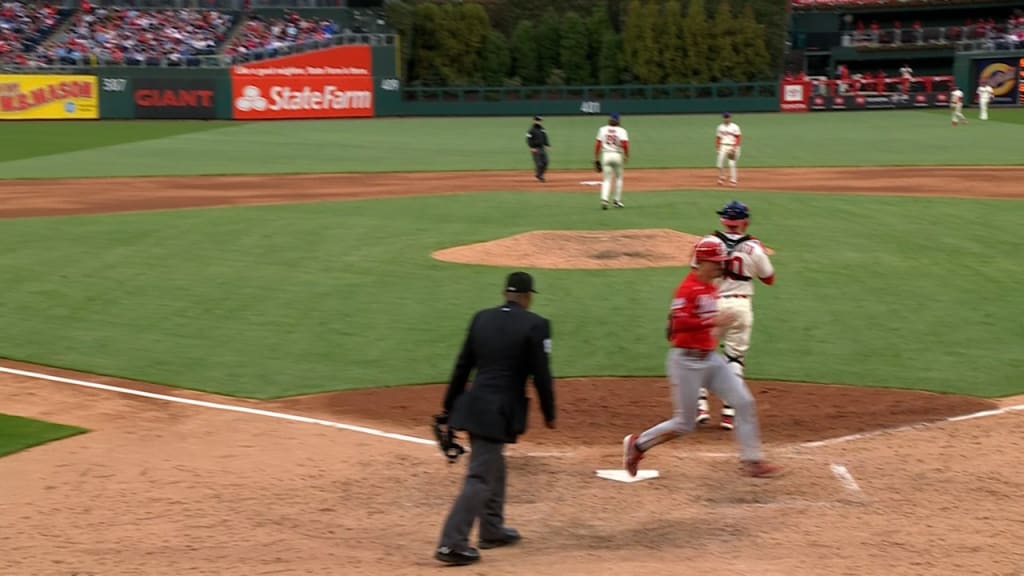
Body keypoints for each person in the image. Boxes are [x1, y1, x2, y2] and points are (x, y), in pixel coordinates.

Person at [622, 237, 780, 479]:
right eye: (716, 262)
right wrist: (711, 322)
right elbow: (677, 326)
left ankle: (753, 461)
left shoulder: (710, 288)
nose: (720, 267)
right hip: (685, 361)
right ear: (703, 262)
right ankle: (638, 445)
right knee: (684, 424)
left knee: (744, 402)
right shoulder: (687, 289)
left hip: (709, 360)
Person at [434, 271, 557, 566]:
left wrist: (449, 407)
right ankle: (452, 543)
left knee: (494, 465)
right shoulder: (536, 325)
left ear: (505, 293)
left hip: (475, 404)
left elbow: (463, 365)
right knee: (479, 475)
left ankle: (491, 529)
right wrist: (549, 412)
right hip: (499, 411)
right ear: (527, 297)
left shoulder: (481, 318)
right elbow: (541, 375)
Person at [695, 201, 776, 430]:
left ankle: (700, 406)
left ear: (723, 220)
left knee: (700, 353)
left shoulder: (708, 242)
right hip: (741, 306)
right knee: (734, 359)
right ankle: (729, 413)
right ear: (745, 222)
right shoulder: (755, 248)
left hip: (711, 303)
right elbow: (769, 279)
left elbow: (696, 273)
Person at [594, 112, 629, 210]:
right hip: (617, 155)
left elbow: (598, 144)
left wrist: (596, 158)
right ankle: (617, 201)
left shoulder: (602, 129)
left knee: (606, 179)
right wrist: (626, 156)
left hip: (606, 155)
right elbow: (625, 144)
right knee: (618, 178)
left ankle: (604, 199)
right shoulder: (622, 130)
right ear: (618, 120)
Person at [715, 112, 742, 187]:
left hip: (732, 146)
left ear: (730, 118)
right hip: (723, 146)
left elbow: (738, 137)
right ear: (723, 118)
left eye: (727, 117)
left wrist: (735, 147)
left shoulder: (735, 127)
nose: (726, 119)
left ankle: (733, 180)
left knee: (731, 164)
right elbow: (718, 138)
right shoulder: (720, 127)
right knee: (719, 164)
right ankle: (721, 177)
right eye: (725, 117)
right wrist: (717, 147)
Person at [526, 115, 550, 182]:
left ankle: (540, 174)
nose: (539, 122)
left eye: (540, 121)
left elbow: (545, 137)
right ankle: (540, 175)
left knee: (546, 162)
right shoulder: (531, 130)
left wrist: (547, 145)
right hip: (535, 149)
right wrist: (531, 147)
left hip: (542, 148)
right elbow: (528, 139)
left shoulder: (542, 129)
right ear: (534, 121)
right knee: (539, 164)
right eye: (538, 120)